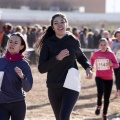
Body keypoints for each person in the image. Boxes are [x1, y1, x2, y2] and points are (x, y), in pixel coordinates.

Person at [37, 13, 93, 120]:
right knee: (59, 118)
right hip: (54, 85)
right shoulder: (48, 44)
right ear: (52, 27)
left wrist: (87, 67)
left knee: (63, 117)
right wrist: (57, 58)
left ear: (67, 24)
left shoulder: (73, 41)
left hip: (71, 84)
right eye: (56, 23)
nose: (59, 25)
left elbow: (80, 56)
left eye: (62, 22)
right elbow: (41, 68)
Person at [0, 32, 33, 120]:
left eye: (15, 43)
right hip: (1, 104)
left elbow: (28, 88)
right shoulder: (1, 61)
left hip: (18, 104)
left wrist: (22, 76)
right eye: (10, 41)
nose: (12, 44)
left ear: (21, 46)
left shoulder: (23, 64)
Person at [91, 38, 119, 120]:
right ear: (99, 45)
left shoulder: (111, 54)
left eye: (104, 45)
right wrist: (92, 66)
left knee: (107, 98)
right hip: (99, 77)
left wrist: (112, 64)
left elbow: (117, 65)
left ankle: (104, 114)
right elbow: (92, 59)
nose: (103, 46)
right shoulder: (96, 53)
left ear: (107, 45)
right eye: (101, 45)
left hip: (108, 79)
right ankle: (99, 105)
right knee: (100, 91)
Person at [111, 29, 120, 97]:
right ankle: (118, 90)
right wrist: (116, 49)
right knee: (117, 77)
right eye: (117, 36)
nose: (118, 37)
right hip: (116, 62)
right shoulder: (114, 43)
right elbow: (111, 52)